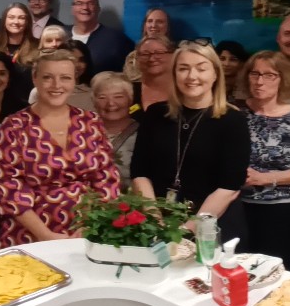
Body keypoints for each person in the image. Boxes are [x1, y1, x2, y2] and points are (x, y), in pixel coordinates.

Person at [0, 50, 123, 247]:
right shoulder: (14, 126)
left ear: (74, 81)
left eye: (65, 78)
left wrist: (90, 226)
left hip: (88, 231)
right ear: (35, 79)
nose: (57, 85)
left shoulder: (90, 122)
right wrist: (45, 236)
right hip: (30, 235)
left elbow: (107, 180)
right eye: (48, 77)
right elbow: (9, 189)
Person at [132, 42, 250, 238]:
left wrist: (186, 231)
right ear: (174, 74)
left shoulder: (233, 120)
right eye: (183, 69)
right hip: (158, 222)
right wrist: (155, 220)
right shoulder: (155, 114)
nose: (191, 76)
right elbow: (139, 171)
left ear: (215, 74)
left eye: (201, 69)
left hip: (212, 227)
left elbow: (229, 186)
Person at [237, 52, 290, 269]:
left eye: (269, 75)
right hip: (239, 209)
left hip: (284, 213)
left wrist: (264, 178)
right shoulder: (235, 114)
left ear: (282, 79)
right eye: (255, 74)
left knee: (280, 272)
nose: (260, 81)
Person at [92, 71, 140, 185]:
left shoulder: (145, 134)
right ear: (94, 102)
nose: (111, 103)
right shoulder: (83, 132)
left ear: (130, 99)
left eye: (118, 96)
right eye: (102, 97)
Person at [70, 0, 135, 73]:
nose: (85, 7)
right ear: (72, 9)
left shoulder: (116, 39)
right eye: (79, 3)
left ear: (98, 9)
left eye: (91, 3)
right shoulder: (59, 36)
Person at [130, 36, 175, 110]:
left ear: (173, 55)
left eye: (159, 53)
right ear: (137, 59)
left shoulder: (184, 90)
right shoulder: (129, 91)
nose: (151, 58)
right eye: (145, 54)